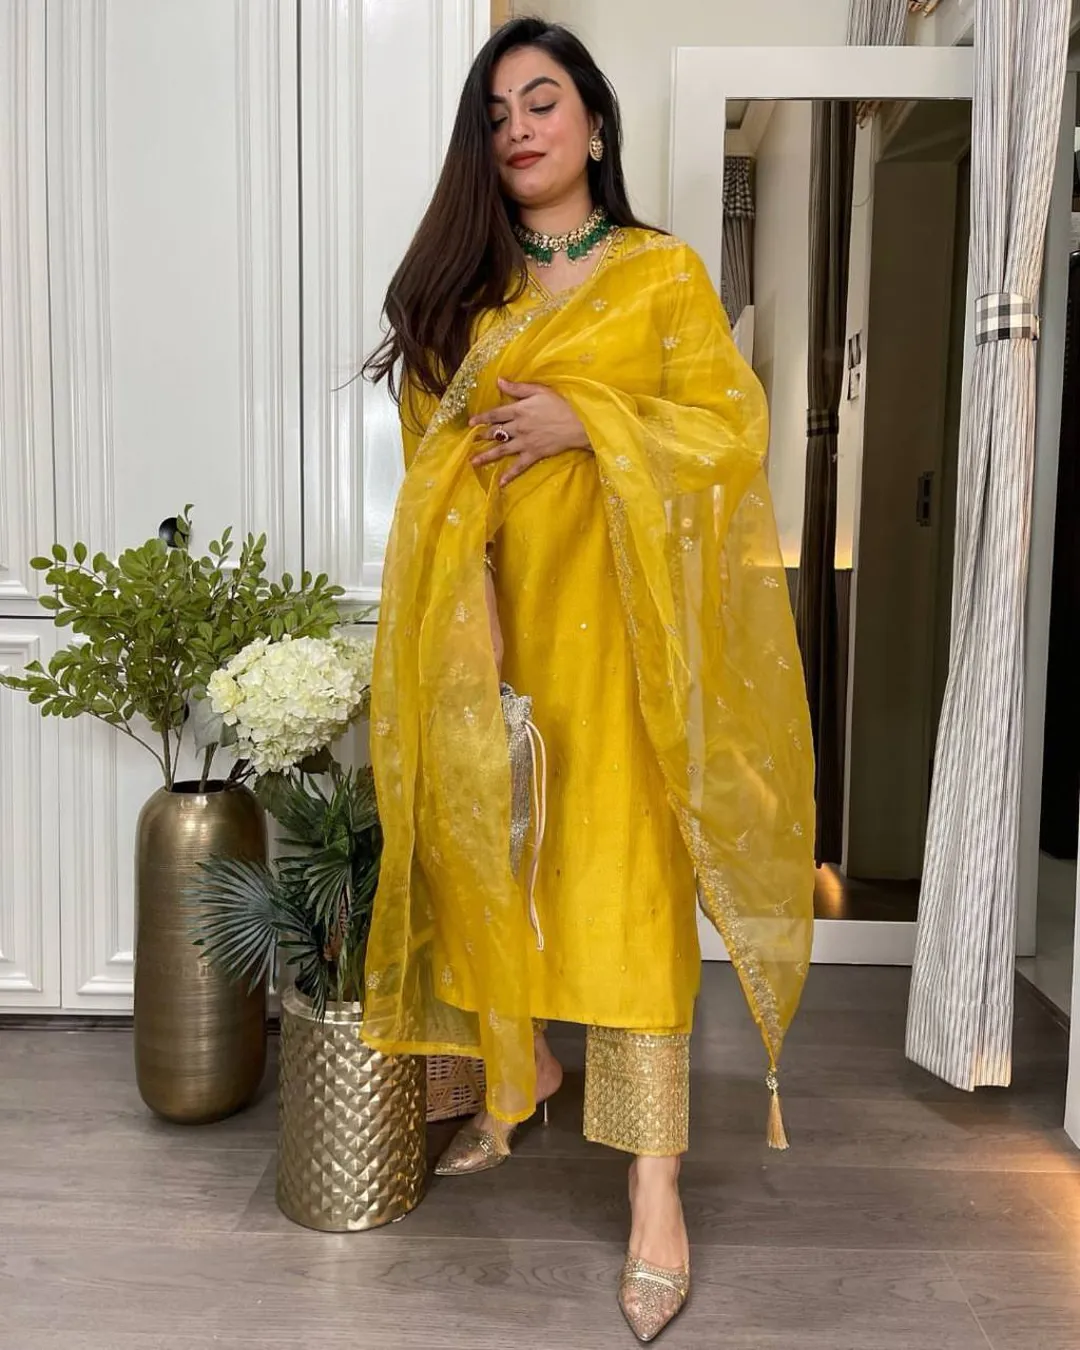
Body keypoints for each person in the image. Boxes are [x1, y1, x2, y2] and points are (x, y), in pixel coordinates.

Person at [362, 17, 815, 1343]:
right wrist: (475, 632)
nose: (519, 127)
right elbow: (438, 479)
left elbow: (731, 432)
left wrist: (586, 420)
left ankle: (654, 1195)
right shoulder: (465, 298)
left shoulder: (662, 276)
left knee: (627, 904)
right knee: (495, 867)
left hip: (629, 651)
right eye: (496, 112)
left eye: (543, 100)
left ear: (596, 124)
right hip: (497, 642)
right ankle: (525, 1070)